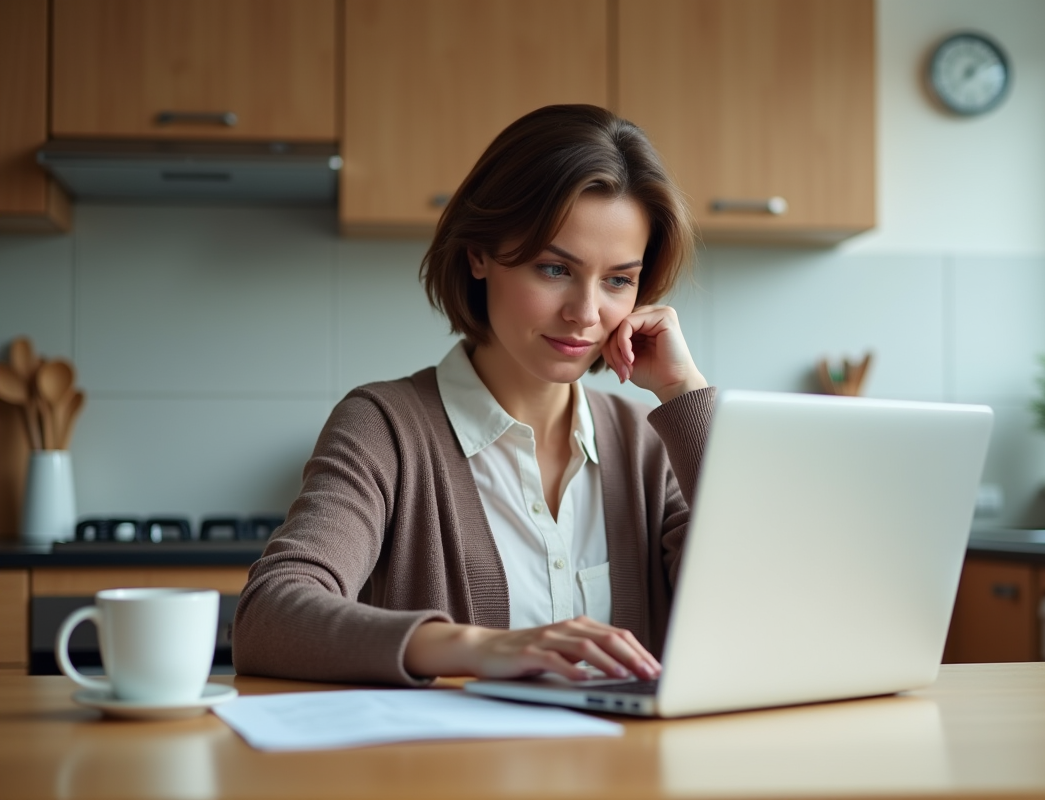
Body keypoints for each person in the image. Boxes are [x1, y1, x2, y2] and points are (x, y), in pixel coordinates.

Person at [232, 104, 715, 687]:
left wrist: (685, 394)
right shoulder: (385, 428)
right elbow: (267, 615)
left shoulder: (650, 446)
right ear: (479, 254)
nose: (586, 314)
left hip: (632, 778)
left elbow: (771, 605)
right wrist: (475, 647)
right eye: (553, 268)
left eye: (618, 280)